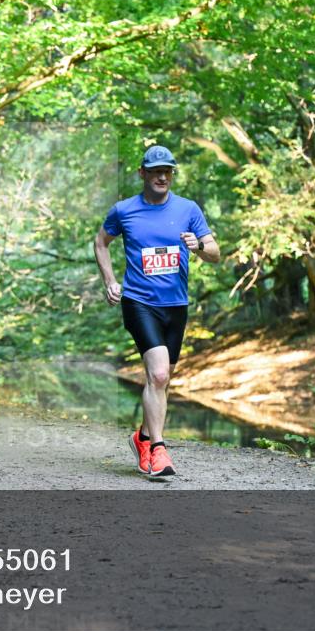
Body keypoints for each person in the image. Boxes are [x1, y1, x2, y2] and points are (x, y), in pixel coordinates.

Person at [93, 145, 220, 477]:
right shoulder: (123, 211)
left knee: (163, 379)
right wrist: (109, 280)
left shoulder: (188, 209)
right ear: (143, 174)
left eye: (168, 171)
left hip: (176, 305)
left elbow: (216, 253)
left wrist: (201, 246)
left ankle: (143, 437)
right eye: (155, 171)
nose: (162, 176)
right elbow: (100, 242)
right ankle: (159, 452)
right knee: (159, 374)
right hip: (139, 302)